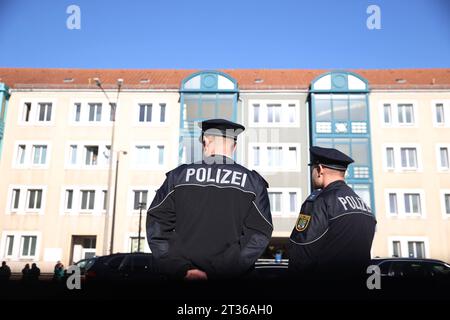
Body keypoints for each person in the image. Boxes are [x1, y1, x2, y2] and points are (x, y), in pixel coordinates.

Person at [147, 119, 273, 280]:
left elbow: (157, 225)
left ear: (206, 141)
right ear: (234, 146)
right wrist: (223, 270)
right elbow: (259, 234)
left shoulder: (177, 177)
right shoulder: (253, 182)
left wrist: (182, 268)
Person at [288, 146, 377, 279]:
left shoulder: (319, 201)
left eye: (312, 168)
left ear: (319, 169)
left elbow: (302, 249)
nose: (312, 174)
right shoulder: (365, 208)